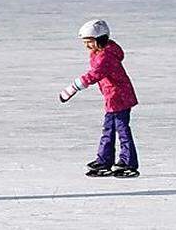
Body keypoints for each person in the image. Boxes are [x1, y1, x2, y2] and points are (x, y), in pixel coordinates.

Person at [58, 20, 140, 178]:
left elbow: (94, 74)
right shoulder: (99, 53)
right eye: (85, 42)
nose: (86, 46)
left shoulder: (106, 56)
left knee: (122, 130)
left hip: (119, 97)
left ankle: (128, 162)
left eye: (89, 42)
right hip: (112, 97)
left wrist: (73, 87)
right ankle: (104, 160)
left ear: (100, 40)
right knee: (108, 129)